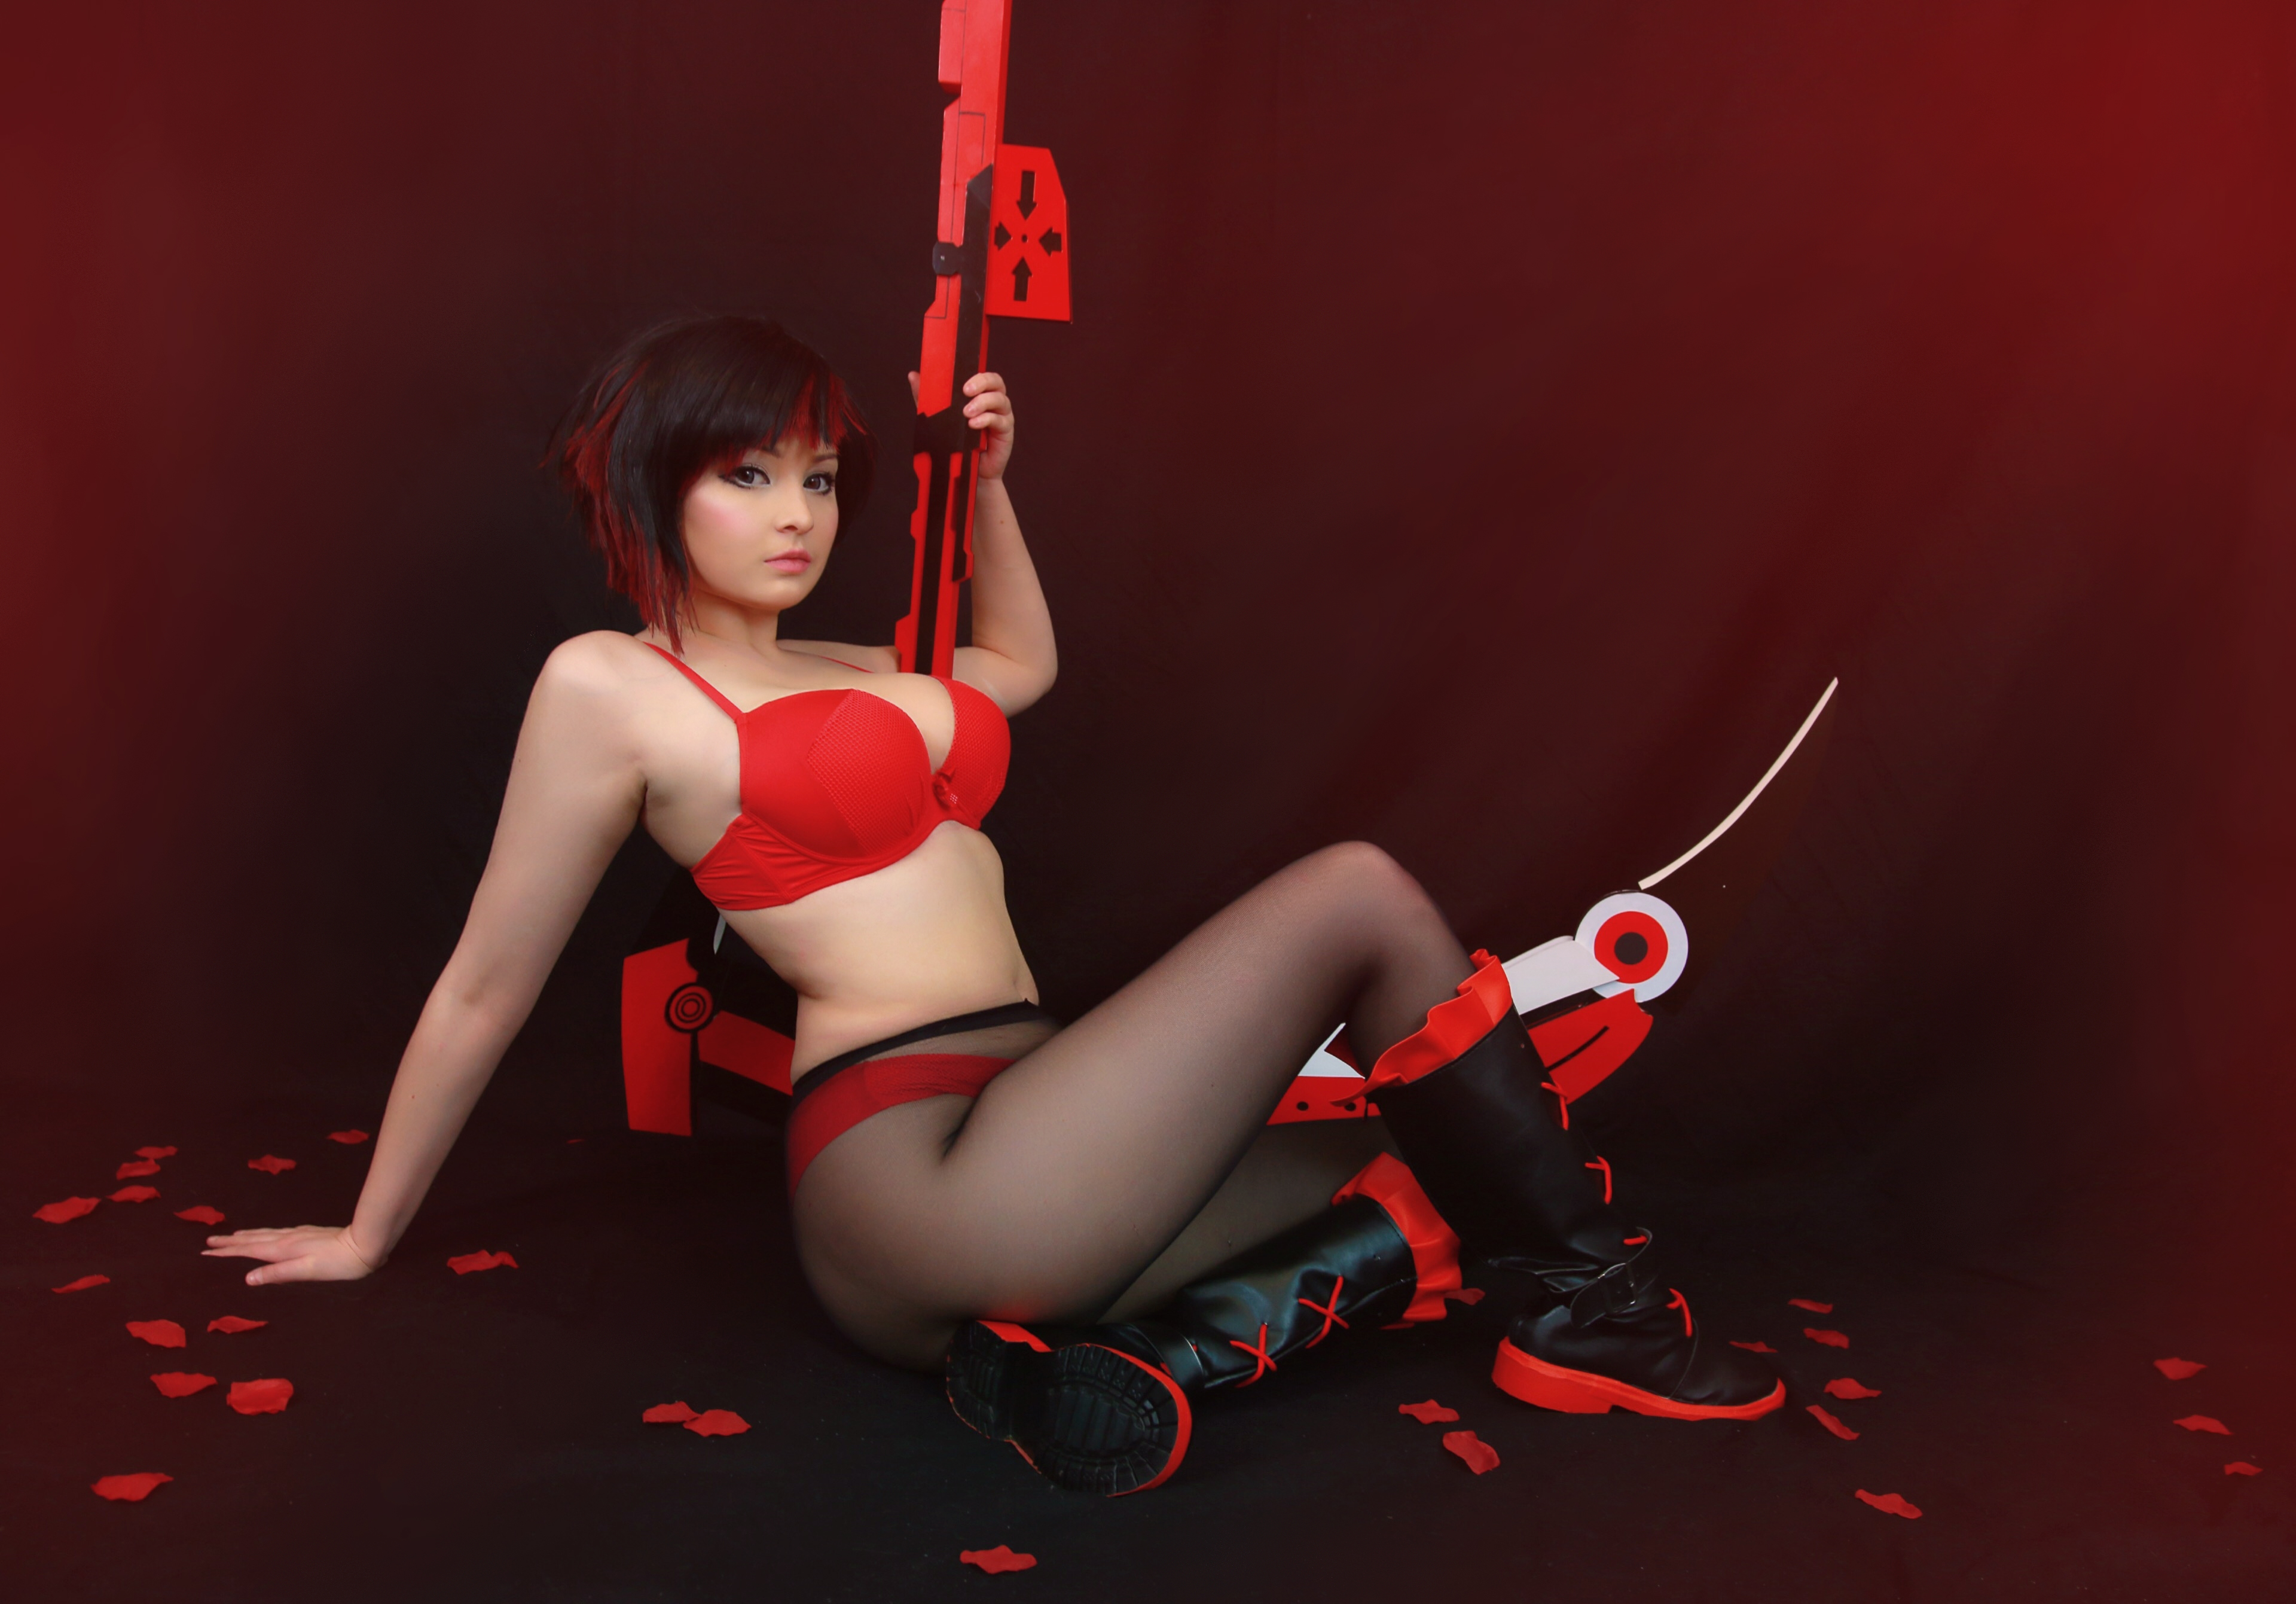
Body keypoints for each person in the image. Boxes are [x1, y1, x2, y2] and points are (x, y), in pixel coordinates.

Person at [202, 314, 1782, 1496]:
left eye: (820, 478)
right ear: (653, 481)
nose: (799, 513)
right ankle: (1603, 1321)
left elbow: (1020, 665)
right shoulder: (613, 688)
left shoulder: (843, 665)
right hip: (915, 1173)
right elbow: (487, 982)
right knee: (1358, 894)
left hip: (1035, 1120)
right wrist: (367, 1231)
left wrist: (994, 490)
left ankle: (1140, 1361)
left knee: (1446, 1146)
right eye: (749, 475)